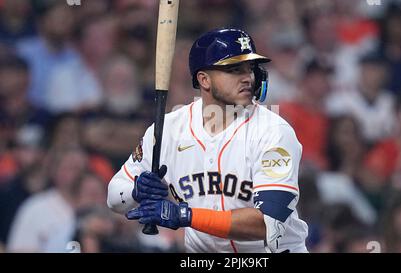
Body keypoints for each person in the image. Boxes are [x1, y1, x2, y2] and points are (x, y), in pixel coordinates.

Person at [107, 28, 309, 253]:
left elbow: (269, 224)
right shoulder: (169, 129)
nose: (248, 78)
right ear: (204, 79)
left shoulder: (273, 131)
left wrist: (186, 216)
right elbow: (114, 196)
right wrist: (137, 191)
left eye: (250, 69)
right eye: (234, 69)